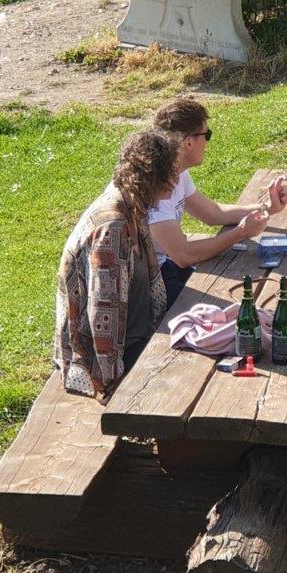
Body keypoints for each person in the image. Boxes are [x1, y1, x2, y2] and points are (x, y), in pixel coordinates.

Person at [54, 130, 181, 401]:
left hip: (138, 335)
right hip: (109, 361)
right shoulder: (112, 228)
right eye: (169, 175)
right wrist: (116, 386)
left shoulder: (132, 204)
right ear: (151, 177)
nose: (175, 182)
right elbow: (103, 316)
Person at [149, 97, 287, 306]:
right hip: (150, 283)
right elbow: (184, 255)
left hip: (165, 265)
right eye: (207, 135)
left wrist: (268, 207)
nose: (207, 142)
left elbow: (213, 213)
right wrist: (241, 232)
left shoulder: (176, 171)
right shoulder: (156, 187)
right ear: (189, 142)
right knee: (233, 310)